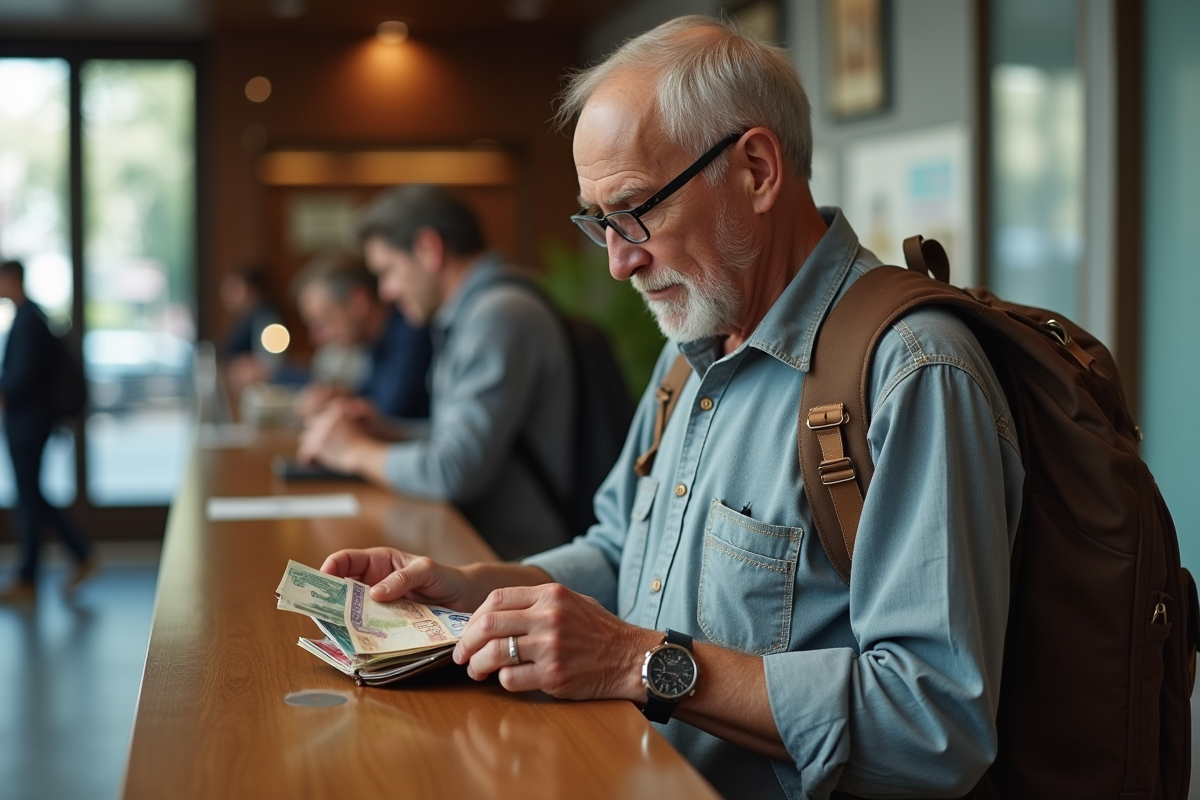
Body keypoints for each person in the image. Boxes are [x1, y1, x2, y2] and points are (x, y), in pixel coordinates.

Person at [318, 17, 1027, 800]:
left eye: (633, 211)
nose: (619, 261)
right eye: (598, 223)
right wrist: (480, 590)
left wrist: (633, 660)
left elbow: (934, 729)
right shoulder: (691, 344)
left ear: (756, 170)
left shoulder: (912, 374)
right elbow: (627, 553)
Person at [297, 186, 575, 559]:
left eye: (388, 272)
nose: (387, 292)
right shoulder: (472, 315)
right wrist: (388, 431)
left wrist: (354, 451)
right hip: (478, 545)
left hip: (516, 561)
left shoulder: (498, 316)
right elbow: (464, 442)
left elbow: (452, 472)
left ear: (429, 249)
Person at [0, 259, 96, 601]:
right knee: (32, 496)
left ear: (11, 279)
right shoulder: (30, 318)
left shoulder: (29, 321)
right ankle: (73, 554)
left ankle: (33, 574)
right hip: (30, 422)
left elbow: (22, 377)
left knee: (29, 498)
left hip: (29, 423)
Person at [292, 253, 433, 421]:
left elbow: (391, 414)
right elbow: (373, 398)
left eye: (324, 321)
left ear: (358, 302)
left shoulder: (412, 330)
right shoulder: (376, 342)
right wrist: (343, 396)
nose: (315, 337)